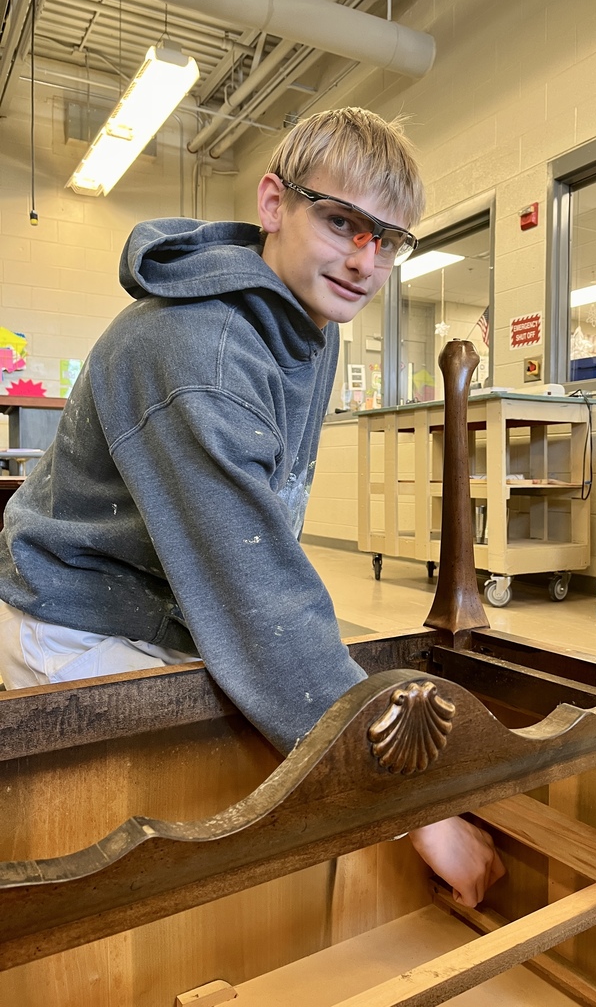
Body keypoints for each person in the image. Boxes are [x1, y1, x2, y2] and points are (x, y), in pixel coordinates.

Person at [0, 107, 504, 905]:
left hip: (166, 605)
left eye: (390, 240)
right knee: (256, 793)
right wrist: (418, 811)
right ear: (274, 204)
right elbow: (256, 607)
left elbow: (257, 562)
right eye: (342, 222)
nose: (365, 260)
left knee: (293, 722)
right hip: (78, 624)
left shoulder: (311, 319)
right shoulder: (205, 355)